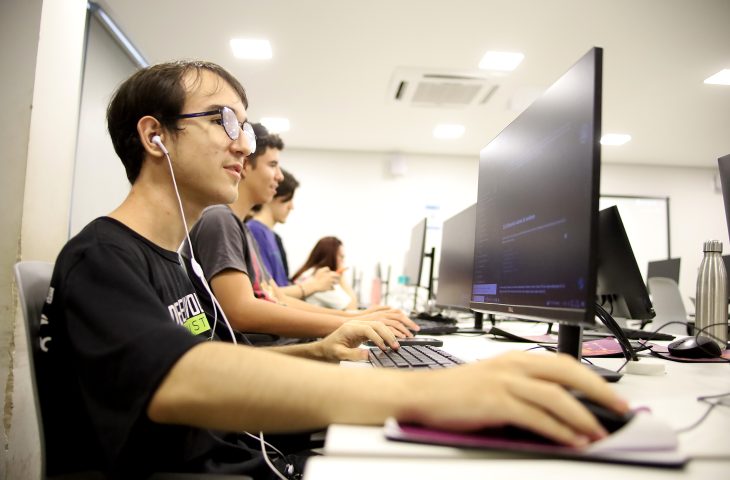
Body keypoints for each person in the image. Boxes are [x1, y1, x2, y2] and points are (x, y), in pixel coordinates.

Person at [38, 60, 628, 478]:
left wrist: (319, 352)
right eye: (224, 121)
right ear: (155, 136)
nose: (244, 146)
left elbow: (228, 361)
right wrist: (433, 392)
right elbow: (179, 381)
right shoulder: (101, 258)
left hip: (242, 452)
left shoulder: (179, 259)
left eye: (244, 127)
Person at [184, 122, 418, 341]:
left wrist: (355, 317)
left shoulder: (242, 229)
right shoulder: (219, 219)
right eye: (272, 165)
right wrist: (349, 322)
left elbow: (279, 299)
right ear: (245, 165)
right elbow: (241, 312)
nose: (280, 176)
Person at [248, 168, 298, 287]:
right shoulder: (254, 231)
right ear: (272, 193)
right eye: (288, 199)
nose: (291, 207)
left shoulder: (273, 236)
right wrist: (311, 286)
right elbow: (267, 290)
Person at [292, 236, 359, 310]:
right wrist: (342, 278)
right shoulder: (322, 279)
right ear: (331, 256)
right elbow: (351, 308)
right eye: (341, 257)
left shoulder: (307, 273)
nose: (343, 261)